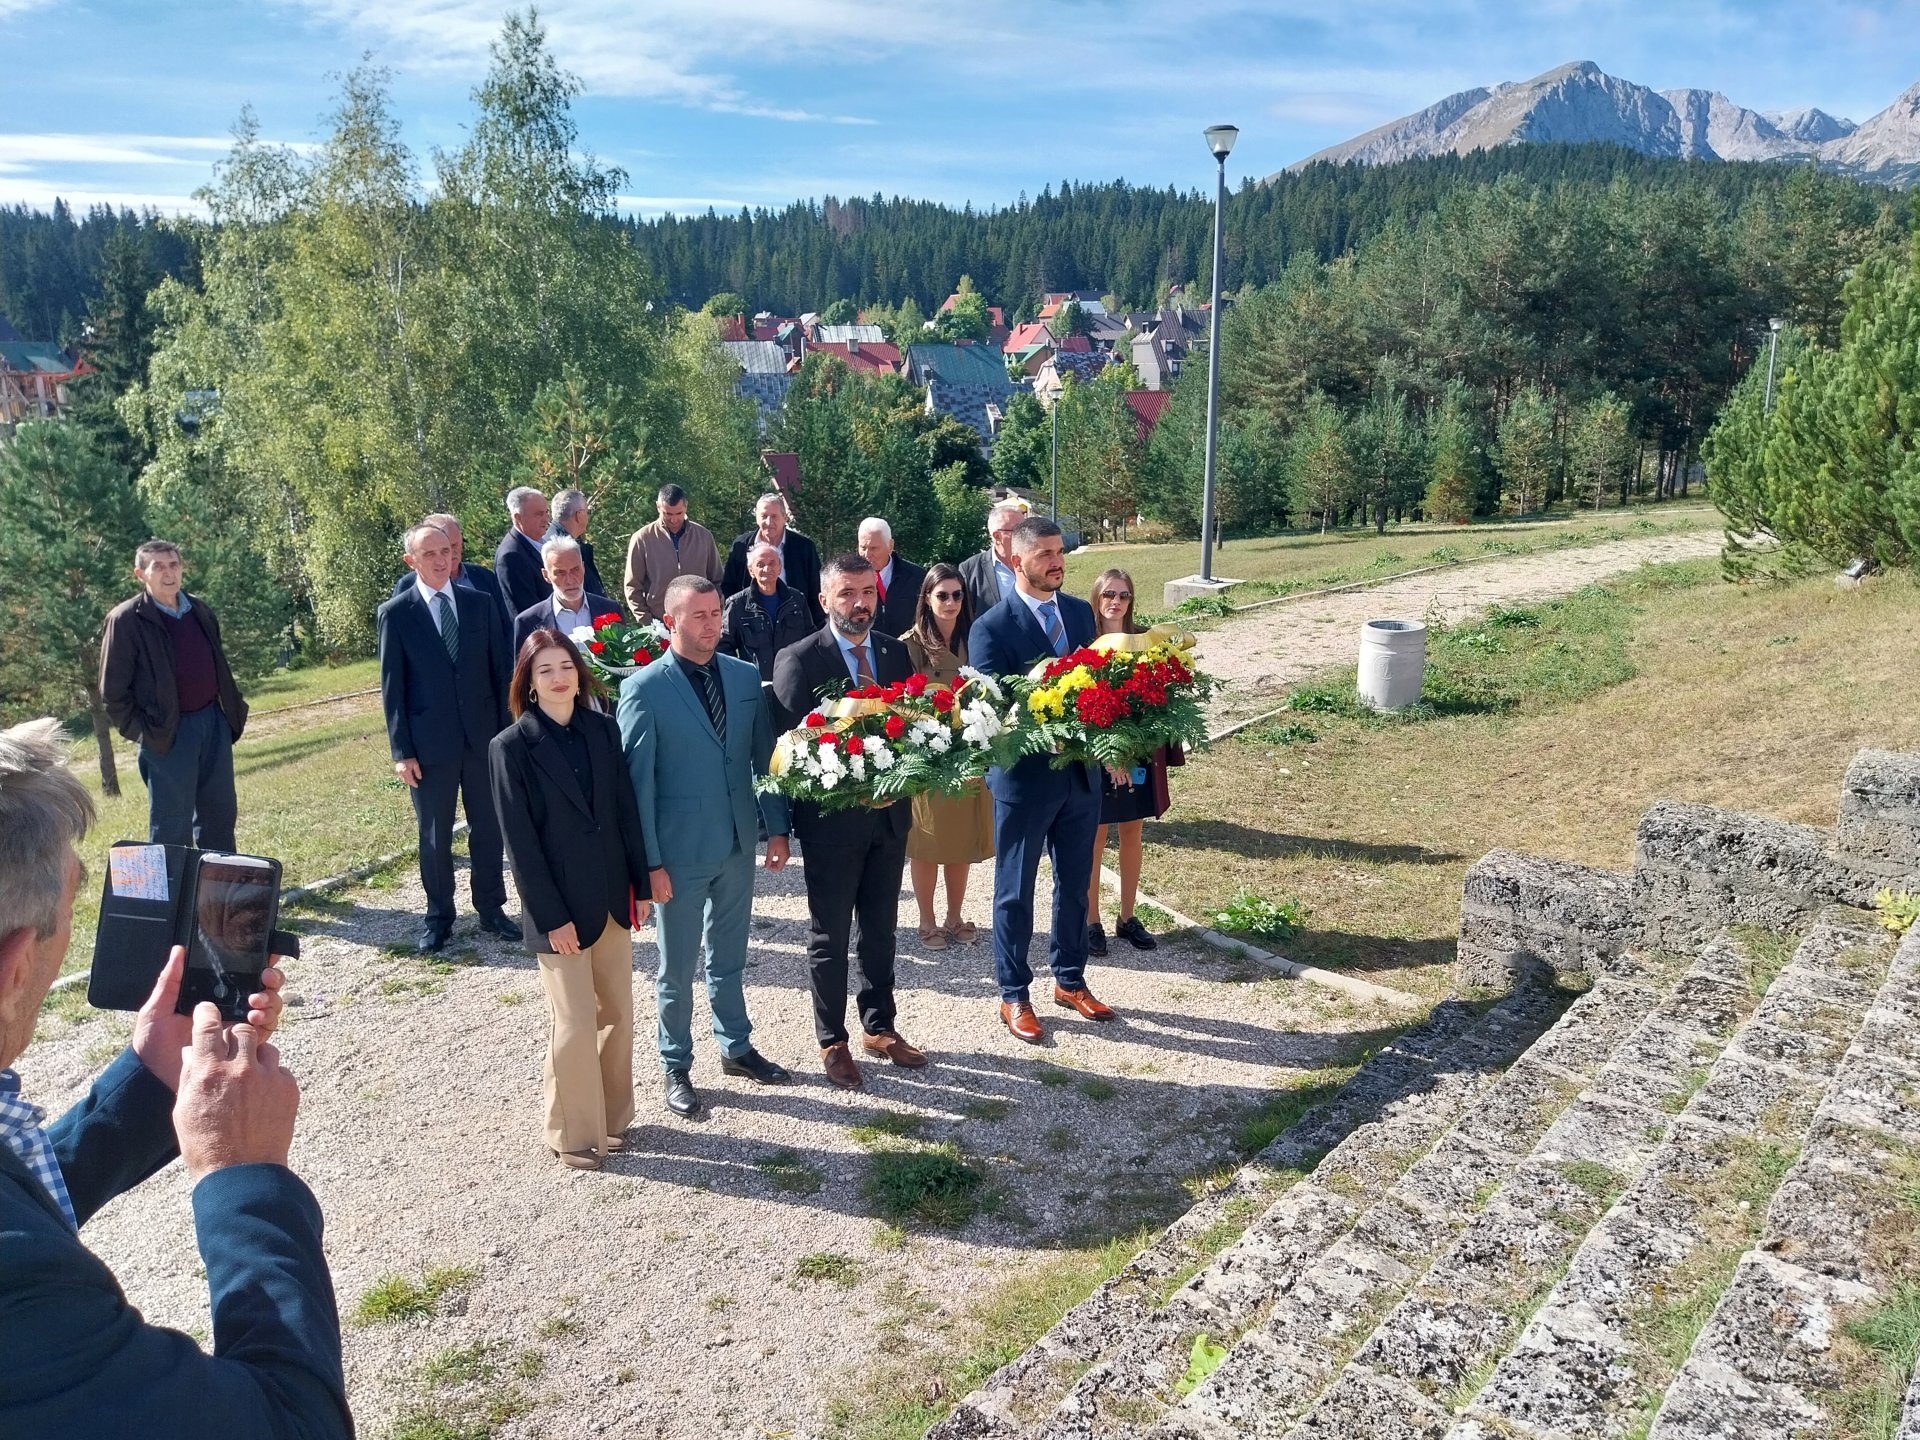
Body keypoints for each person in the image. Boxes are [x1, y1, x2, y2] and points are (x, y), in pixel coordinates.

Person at [0, 717, 349, 1438]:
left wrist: (152, 1078)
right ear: (12, 969)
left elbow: (20, 1196)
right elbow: (292, 1425)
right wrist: (243, 1176)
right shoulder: (22, 1293)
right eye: (69, 915)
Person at [618, 575, 792, 1118]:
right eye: (699, 616)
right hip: (677, 854)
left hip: (738, 841)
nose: (712, 624)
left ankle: (735, 1047)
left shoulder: (743, 677)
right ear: (671, 621)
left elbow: (765, 757)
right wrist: (649, 866)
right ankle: (675, 1062)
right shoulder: (643, 689)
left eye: (716, 613)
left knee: (730, 957)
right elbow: (636, 786)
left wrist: (778, 826)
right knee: (676, 966)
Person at [491, 630, 655, 1171]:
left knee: (618, 1015)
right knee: (575, 1019)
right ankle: (571, 1131)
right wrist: (551, 917)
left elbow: (626, 813)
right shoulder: (510, 748)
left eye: (566, 666)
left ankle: (612, 1119)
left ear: (580, 674)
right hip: (558, 909)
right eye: (545, 671)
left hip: (612, 898)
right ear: (529, 684)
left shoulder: (603, 732)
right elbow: (521, 845)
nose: (559, 678)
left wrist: (641, 887)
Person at [770, 555, 926, 1090]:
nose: (859, 603)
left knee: (881, 931)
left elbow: (915, 728)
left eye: (867, 592)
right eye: (846, 594)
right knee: (830, 936)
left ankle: (879, 1026)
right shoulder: (798, 659)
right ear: (824, 600)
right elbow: (795, 753)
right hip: (832, 829)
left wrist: (902, 779)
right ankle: (832, 1039)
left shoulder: (894, 651)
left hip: (889, 823)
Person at [968, 516, 1115, 1042]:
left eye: (1060, 553)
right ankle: (1013, 993)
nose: (1058, 562)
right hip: (1024, 781)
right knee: (1015, 891)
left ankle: (1070, 978)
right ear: (1015, 560)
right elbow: (994, 707)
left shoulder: (1079, 613)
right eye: (1046, 554)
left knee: (1076, 884)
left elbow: (1101, 684)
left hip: (1080, 778)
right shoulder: (991, 627)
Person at [377, 520, 518, 952]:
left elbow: (501, 675)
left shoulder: (480, 604)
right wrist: (402, 751)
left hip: (482, 739)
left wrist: (505, 736)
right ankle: (439, 917)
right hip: (429, 746)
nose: (442, 560)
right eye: (430, 554)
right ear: (411, 561)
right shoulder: (397, 614)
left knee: (488, 828)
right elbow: (392, 688)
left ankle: (492, 909)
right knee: (435, 835)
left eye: (446, 552)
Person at [98, 540, 250, 852]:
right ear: (140, 574)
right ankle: (172, 899)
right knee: (170, 826)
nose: (169, 573)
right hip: (167, 734)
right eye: (158, 566)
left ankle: (218, 895)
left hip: (213, 723)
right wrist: (146, 733)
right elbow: (112, 693)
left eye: (174, 565)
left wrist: (227, 716)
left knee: (219, 816)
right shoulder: (126, 620)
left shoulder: (200, 610)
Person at [1084, 568, 1176, 957]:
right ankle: (1091, 921)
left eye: (1123, 595)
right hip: (1097, 757)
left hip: (1137, 754)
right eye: (1109, 594)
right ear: (1097, 598)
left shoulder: (1145, 641)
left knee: (1132, 831)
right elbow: (1079, 706)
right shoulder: (1085, 643)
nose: (1115, 602)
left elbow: (1160, 700)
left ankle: (1127, 917)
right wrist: (1107, 754)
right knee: (1096, 837)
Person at [902, 563, 993, 950]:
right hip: (928, 755)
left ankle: (955, 916)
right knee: (927, 841)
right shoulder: (909, 643)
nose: (951, 602)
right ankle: (927, 920)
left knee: (960, 840)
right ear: (926, 598)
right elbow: (899, 702)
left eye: (958, 595)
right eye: (942, 595)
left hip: (970, 751)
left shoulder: (976, 637)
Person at [390, 512, 513, 638]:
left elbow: (506, 627)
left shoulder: (484, 578)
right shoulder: (407, 586)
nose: (451, 553)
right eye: (445, 547)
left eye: (455, 545)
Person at [721, 492, 824, 630]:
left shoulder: (804, 547)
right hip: (751, 624)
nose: (769, 522)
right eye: (764, 516)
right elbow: (729, 586)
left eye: (774, 516)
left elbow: (816, 587)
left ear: (785, 518)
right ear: (757, 518)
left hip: (795, 620)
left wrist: (818, 627)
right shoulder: (741, 546)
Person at [625, 484, 723, 625]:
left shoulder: (704, 537)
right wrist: (648, 623)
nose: (674, 520)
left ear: (686, 507)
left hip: (700, 622)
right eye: (668, 514)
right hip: (659, 624)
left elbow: (717, 580)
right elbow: (632, 587)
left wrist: (715, 615)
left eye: (679, 513)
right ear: (658, 507)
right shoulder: (642, 539)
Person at [721, 539, 814, 682]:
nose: (767, 569)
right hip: (754, 685)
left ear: (779, 567)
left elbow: (811, 639)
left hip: (794, 682)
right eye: (760, 565)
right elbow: (724, 646)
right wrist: (739, 675)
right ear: (751, 570)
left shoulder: (797, 599)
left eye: (772, 563)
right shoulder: (736, 604)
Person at [512, 535, 622, 655]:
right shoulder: (528, 622)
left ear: (583, 568)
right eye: (560, 573)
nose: (570, 580)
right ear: (546, 575)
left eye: (575, 570)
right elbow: (524, 671)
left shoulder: (610, 610)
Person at [957, 493, 1032, 622]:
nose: (1025, 535)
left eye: (1025, 529)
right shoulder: (970, 569)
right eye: (1018, 530)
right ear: (997, 537)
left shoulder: (1037, 562)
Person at [858, 516, 926, 638]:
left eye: (874, 548)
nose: (867, 555)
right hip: (866, 652)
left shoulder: (916, 576)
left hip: (907, 651)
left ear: (890, 545)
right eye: (863, 548)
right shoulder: (849, 579)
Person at [495, 487, 554, 618]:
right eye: (539, 514)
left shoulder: (542, 543)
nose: (546, 519)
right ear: (518, 517)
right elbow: (528, 611)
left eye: (546, 512)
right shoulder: (511, 556)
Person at [546, 487, 610, 600]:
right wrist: (605, 617)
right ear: (579, 515)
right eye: (587, 511)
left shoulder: (552, 539)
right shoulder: (561, 549)